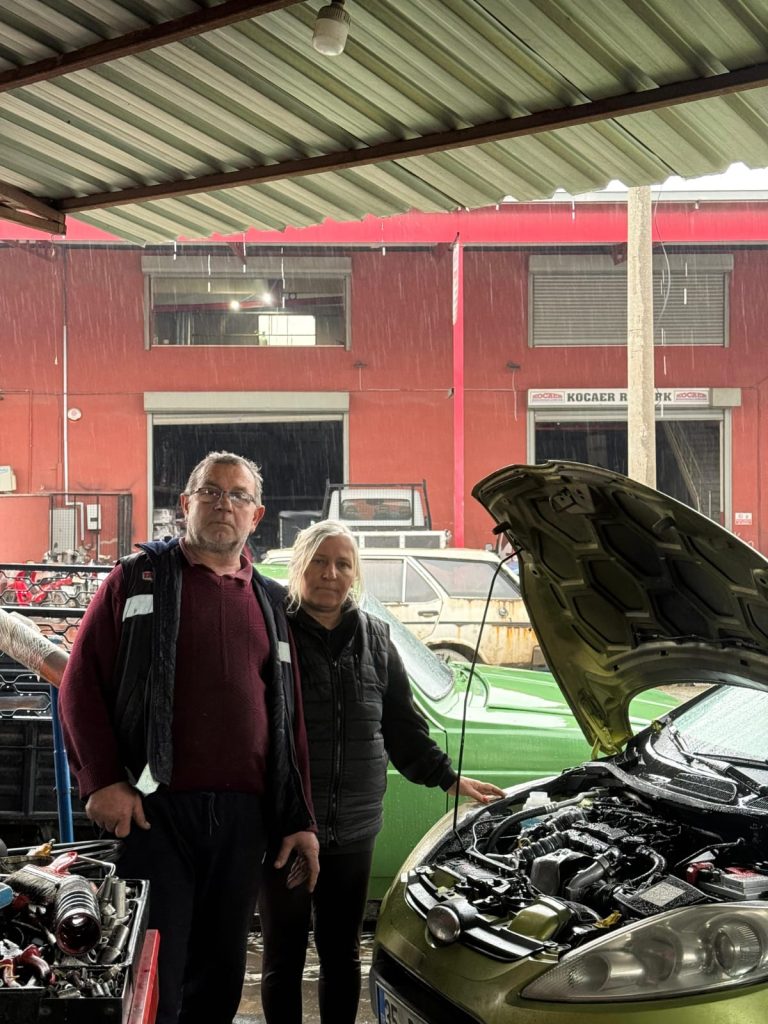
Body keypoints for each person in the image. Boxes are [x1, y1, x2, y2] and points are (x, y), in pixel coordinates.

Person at [59, 451, 319, 1024]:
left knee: (220, 977)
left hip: (243, 821)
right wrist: (101, 780)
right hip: (156, 813)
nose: (224, 504)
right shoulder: (137, 579)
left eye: (238, 495)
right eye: (210, 492)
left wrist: (299, 819)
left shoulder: (271, 601)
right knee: (154, 976)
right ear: (185, 504)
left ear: (256, 515)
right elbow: (80, 686)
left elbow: (288, 719)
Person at [258, 520, 504, 1024]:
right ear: (300, 566)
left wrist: (449, 778)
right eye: (319, 561)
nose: (330, 573)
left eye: (342, 564)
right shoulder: (272, 632)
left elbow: (402, 727)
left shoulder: (375, 637)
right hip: (287, 825)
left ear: (356, 575)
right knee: (283, 956)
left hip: (354, 827)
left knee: (342, 953)